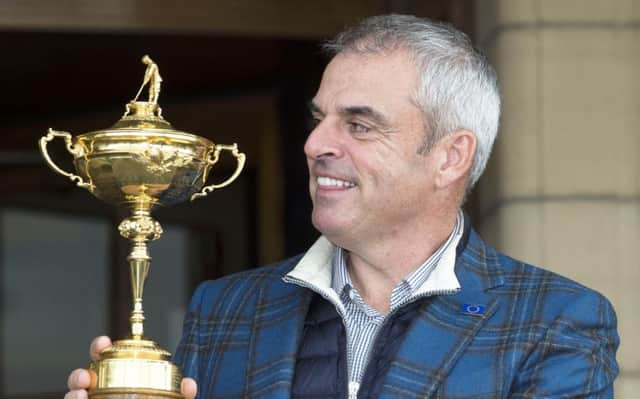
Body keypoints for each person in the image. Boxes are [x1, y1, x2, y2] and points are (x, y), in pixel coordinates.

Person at [66, 14, 619, 399]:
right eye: (319, 119)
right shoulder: (225, 309)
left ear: (451, 157)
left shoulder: (556, 321)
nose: (315, 146)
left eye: (358, 124)